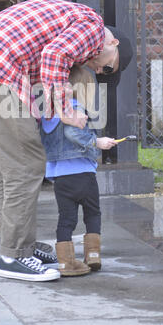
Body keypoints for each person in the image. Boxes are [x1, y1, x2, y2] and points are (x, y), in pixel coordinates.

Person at [0, 0, 133, 282]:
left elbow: (46, 68)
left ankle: (18, 246)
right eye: (109, 68)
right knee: (26, 165)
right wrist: (67, 110)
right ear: (114, 45)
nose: (99, 72)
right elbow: (54, 56)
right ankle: (15, 256)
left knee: (3, 171)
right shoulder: (95, 29)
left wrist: (53, 111)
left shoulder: (73, 20)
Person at [40, 65, 117, 276]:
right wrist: (97, 142)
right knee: (92, 213)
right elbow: (74, 134)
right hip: (82, 172)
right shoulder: (74, 107)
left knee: (66, 218)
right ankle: (93, 255)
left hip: (61, 179)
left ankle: (65, 263)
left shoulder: (48, 113)